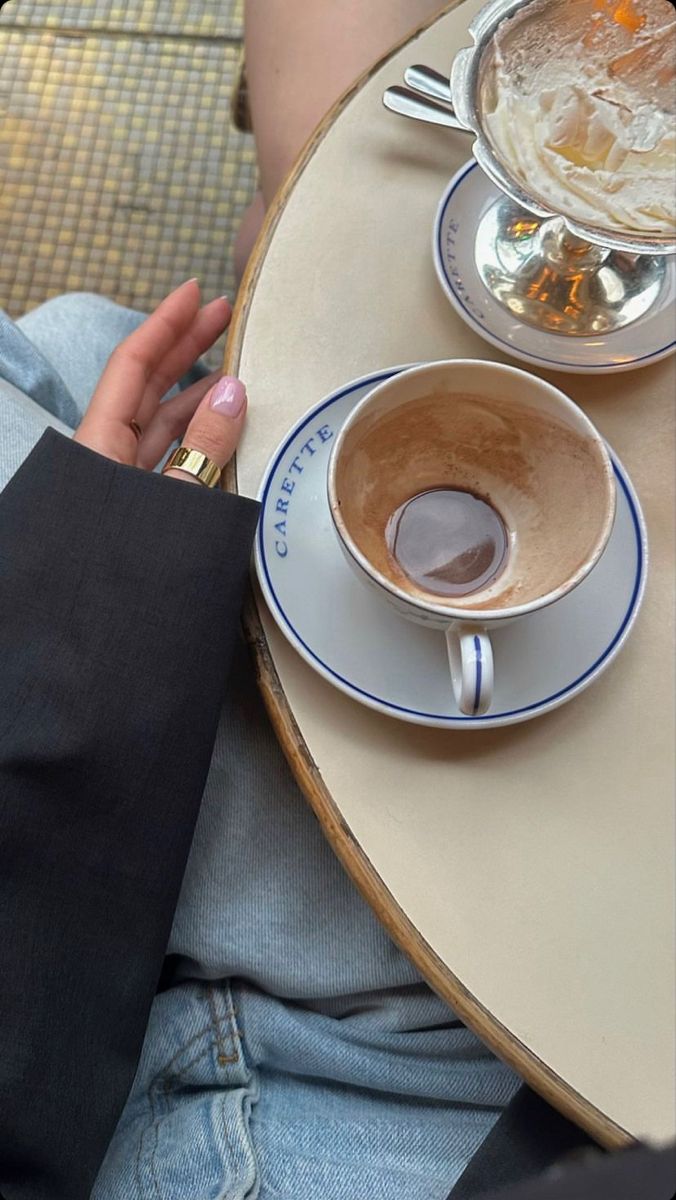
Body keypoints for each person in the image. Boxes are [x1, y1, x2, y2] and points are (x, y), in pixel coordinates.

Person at [1, 3, 672, 1199]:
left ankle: (276, 219)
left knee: (77, 354)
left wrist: (92, 572)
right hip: (454, 1070)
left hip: (203, 998)